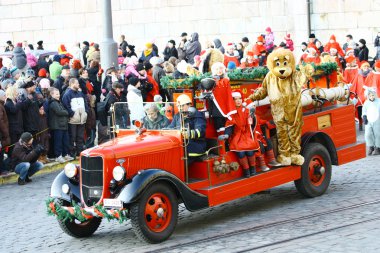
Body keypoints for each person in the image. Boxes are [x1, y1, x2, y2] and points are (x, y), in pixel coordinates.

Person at [219, 90, 260, 177]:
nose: (238, 101)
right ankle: (246, 170)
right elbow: (230, 126)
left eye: (240, 99)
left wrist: (252, 117)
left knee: (250, 152)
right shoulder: (232, 113)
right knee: (241, 153)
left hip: (247, 134)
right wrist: (227, 134)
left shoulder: (247, 110)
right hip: (237, 136)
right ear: (232, 101)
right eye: (236, 99)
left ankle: (253, 168)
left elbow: (252, 124)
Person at [169, 94, 206, 164]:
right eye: (179, 106)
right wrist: (163, 131)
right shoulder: (177, 116)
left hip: (195, 145)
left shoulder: (197, 115)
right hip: (181, 144)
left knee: (179, 163)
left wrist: (188, 134)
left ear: (189, 105)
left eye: (182, 106)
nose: (180, 108)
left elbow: (200, 131)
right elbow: (171, 127)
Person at [62, 78, 89, 158]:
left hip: (82, 119)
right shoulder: (67, 94)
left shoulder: (80, 93)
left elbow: (85, 103)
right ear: (72, 84)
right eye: (77, 83)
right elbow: (66, 106)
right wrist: (72, 114)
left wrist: (85, 112)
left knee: (80, 137)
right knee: (72, 137)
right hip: (73, 120)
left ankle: (79, 152)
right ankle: (71, 153)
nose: (78, 84)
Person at [48, 87, 72, 163]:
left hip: (63, 125)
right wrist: (66, 112)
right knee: (58, 142)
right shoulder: (53, 103)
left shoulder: (59, 102)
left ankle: (65, 155)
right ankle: (58, 156)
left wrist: (64, 111)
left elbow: (63, 110)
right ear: (52, 95)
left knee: (65, 141)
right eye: (56, 94)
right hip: (57, 126)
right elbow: (60, 112)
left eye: (58, 94)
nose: (58, 95)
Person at [362, 88, 380, 155]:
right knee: (368, 134)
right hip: (369, 121)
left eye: (373, 95)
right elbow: (364, 111)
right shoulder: (366, 103)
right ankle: (371, 146)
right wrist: (364, 117)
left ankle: (378, 148)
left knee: (377, 134)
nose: (372, 97)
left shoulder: (379, 101)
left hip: (377, 121)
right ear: (368, 96)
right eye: (370, 96)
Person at [0, 90, 10, 175]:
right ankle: (1, 170)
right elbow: (1, 121)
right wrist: (6, 133)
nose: (5, 97)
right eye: (3, 96)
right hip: (2, 134)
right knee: (1, 152)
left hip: (2, 133)